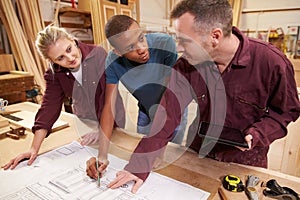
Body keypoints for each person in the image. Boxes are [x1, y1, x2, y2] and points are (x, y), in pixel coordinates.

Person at [90, 0, 300, 193]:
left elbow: (287, 110)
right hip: (198, 154)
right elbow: (167, 115)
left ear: (215, 36)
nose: (178, 48)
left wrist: (260, 132)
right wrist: (138, 166)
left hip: (245, 161)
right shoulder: (187, 66)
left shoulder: (271, 62)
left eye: (185, 41)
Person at [85, 14, 188, 185]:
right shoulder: (112, 62)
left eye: (141, 38)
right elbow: (108, 108)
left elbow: (171, 99)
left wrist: (158, 149)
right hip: (145, 111)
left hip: (172, 111)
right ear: (118, 52)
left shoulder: (165, 44)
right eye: (131, 47)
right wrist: (102, 156)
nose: (142, 48)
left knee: (169, 164)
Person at [2, 25, 123, 170]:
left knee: (119, 151)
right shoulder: (54, 73)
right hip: (84, 119)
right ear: (52, 61)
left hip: (110, 117)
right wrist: (33, 149)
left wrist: (101, 130)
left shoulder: (98, 54)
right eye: (60, 58)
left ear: (72, 40)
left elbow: (108, 98)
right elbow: (49, 106)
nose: (70, 58)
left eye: (69, 49)